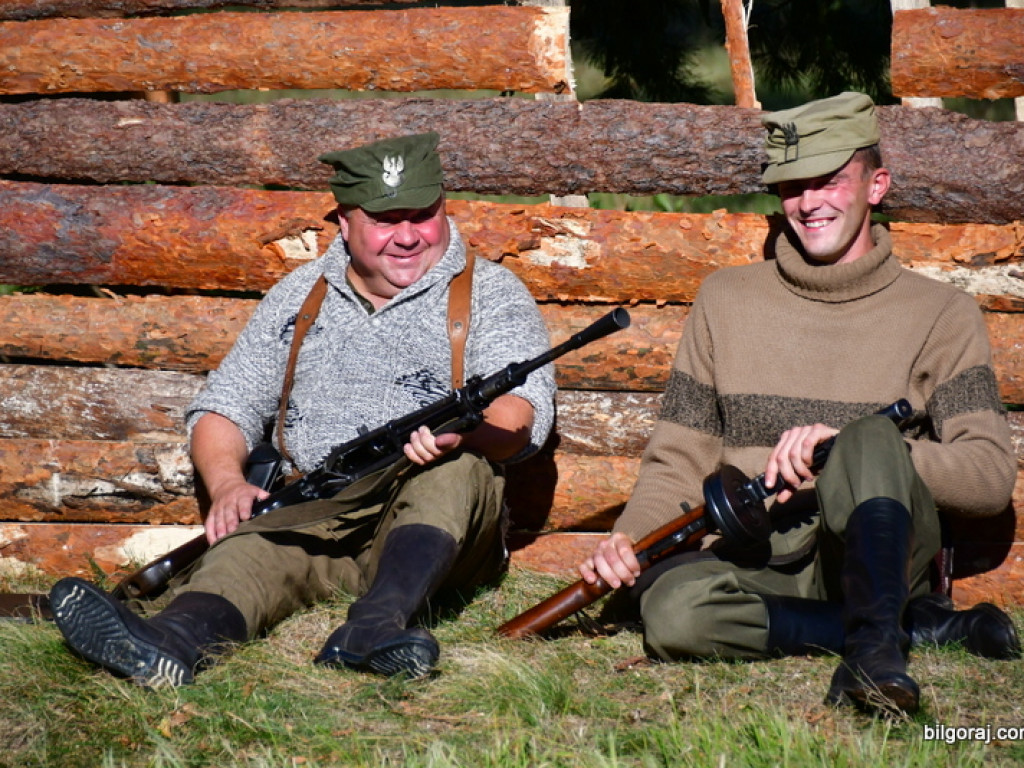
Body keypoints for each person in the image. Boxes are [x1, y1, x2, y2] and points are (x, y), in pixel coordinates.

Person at [48, 132, 556, 687]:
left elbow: (521, 412)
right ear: (344, 221)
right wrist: (226, 487)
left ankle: (376, 627)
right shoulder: (300, 296)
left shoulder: (492, 293)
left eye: (422, 215)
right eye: (386, 220)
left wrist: (471, 435)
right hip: (317, 512)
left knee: (456, 469)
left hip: (434, 530)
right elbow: (226, 406)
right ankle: (172, 641)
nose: (408, 236)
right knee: (253, 547)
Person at [578, 92, 1020, 715]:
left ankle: (871, 658)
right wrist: (628, 540)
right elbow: (679, 456)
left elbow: (989, 477)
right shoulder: (725, 299)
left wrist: (851, 448)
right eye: (791, 185)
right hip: (758, 560)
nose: (809, 202)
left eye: (831, 180)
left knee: (867, 436)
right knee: (675, 615)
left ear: (876, 185)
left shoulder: (942, 314)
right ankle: (908, 632)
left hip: (879, 555)